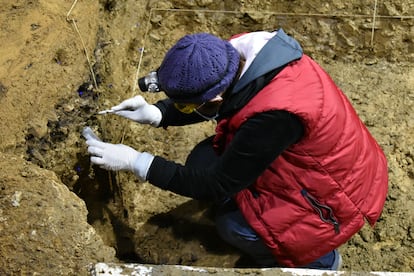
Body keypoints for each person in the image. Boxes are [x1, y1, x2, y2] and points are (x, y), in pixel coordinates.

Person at [83, 29, 388, 270]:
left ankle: (318, 263)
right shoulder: (238, 55)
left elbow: (217, 184)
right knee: (203, 159)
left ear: (214, 98)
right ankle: (257, 211)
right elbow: (208, 92)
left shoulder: (273, 116)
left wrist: (139, 162)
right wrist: (159, 113)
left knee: (233, 227)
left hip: (334, 193)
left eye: (186, 106)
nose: (185, 109)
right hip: (308, 158)